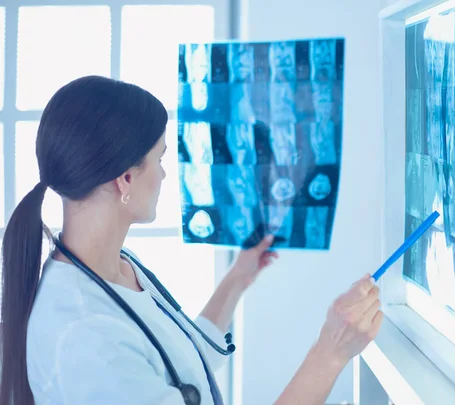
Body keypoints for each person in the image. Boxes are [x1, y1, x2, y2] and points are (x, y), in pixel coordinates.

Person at [0, 76, 383, 405]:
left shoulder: (114, 267)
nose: (165, 175)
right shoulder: (84, 338)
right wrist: (331, 351)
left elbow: (181, 364)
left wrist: (239, 277)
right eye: (161, 159)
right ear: (126, 180)